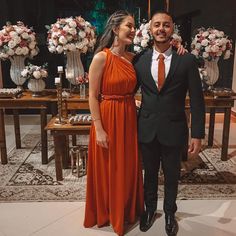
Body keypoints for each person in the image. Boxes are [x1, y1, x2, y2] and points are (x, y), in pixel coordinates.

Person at [133, 11, 205, 236]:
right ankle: (149, 210)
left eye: (166, 25)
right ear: (150, 30)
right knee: (150, 174)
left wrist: (197, 135)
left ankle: (169, 212)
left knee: (172, 174)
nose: (161, 29)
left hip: (174, 128)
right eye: (157, 25)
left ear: (172, 29)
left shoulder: (186, 59)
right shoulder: (139, 60)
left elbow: (196, 99)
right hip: (146, 128)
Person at [83, 10, 144, 236]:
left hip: (128, 116)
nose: (133, 30)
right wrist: (98, 128)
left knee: (126, 164)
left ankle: (127, 209)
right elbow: (92, 95)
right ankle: (109, 211)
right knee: (110, 165)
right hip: (108, 118)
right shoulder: (101, 57)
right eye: (129, 25)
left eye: (134, 26)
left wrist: (178, 48)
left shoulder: (133, 59)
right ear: (115, 28)